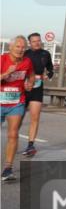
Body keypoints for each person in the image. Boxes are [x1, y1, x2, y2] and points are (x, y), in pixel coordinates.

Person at [2, 36, 34, 182]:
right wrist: (5, 74)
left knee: (13, 134)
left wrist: (29, 83)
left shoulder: (27, 62)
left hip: (16, 102)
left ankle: (7, 169)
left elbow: (32, 75)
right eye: (18, 46)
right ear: (11, 47)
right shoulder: (2, 60)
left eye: (23, 47)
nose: (21, 49)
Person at [23, 32, 55, 158]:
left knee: (35, 117)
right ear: (29, 43)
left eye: (38, 40)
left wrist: (48, 75)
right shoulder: (25, 54)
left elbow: (51, 69)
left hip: (37, 88)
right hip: (24, 87)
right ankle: (12, 139)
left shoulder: (45, 54)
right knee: (18, 118)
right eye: (34, 41)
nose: (37, 43)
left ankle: (31, 145)